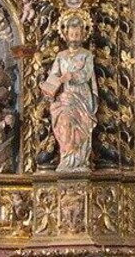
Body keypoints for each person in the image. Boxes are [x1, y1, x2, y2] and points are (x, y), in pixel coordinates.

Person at [41, 13, 98, 171]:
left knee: (82, 126)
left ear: (83, 35)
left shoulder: (87, 55)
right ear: (66, 35)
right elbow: (54, 75)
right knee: (64, 122)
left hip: (81, 96)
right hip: (65, 95)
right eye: (72, 33)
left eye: (78, 33)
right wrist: (49, 87)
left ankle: (80, 161)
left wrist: (72, 76)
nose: (74, 37)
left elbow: (86, 74)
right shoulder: (61, 56)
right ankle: (67, 158)